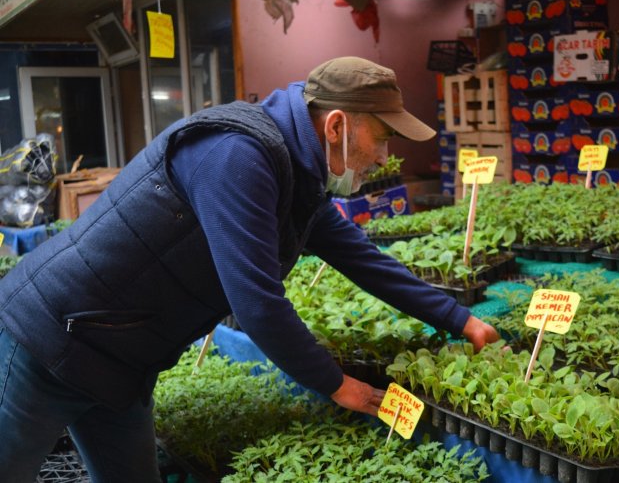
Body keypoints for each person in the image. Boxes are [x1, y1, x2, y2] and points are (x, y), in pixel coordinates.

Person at [0, 56, 502, 481]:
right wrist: (337, 384)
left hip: (121, 363)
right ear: (336, 126)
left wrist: (460, 319)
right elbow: (258, 304)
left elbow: (359, 256)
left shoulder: (295, 175)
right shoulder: (238, 155)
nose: (384, 158)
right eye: (383, 138)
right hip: (48, 342)